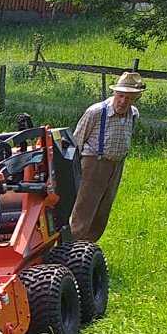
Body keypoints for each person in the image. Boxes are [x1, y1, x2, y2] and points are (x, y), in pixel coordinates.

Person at [68, 71, 145, 242]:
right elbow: (76, 142)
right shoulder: (96, 112)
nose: (123, 101)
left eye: (128, 98)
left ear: (135, 99)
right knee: (83, 212)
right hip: (94, 164)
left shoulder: (133, 114)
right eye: (120, 96)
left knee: (101, 214)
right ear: (114, 94)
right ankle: (68, 250)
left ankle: (87, 252)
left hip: (116, 166)